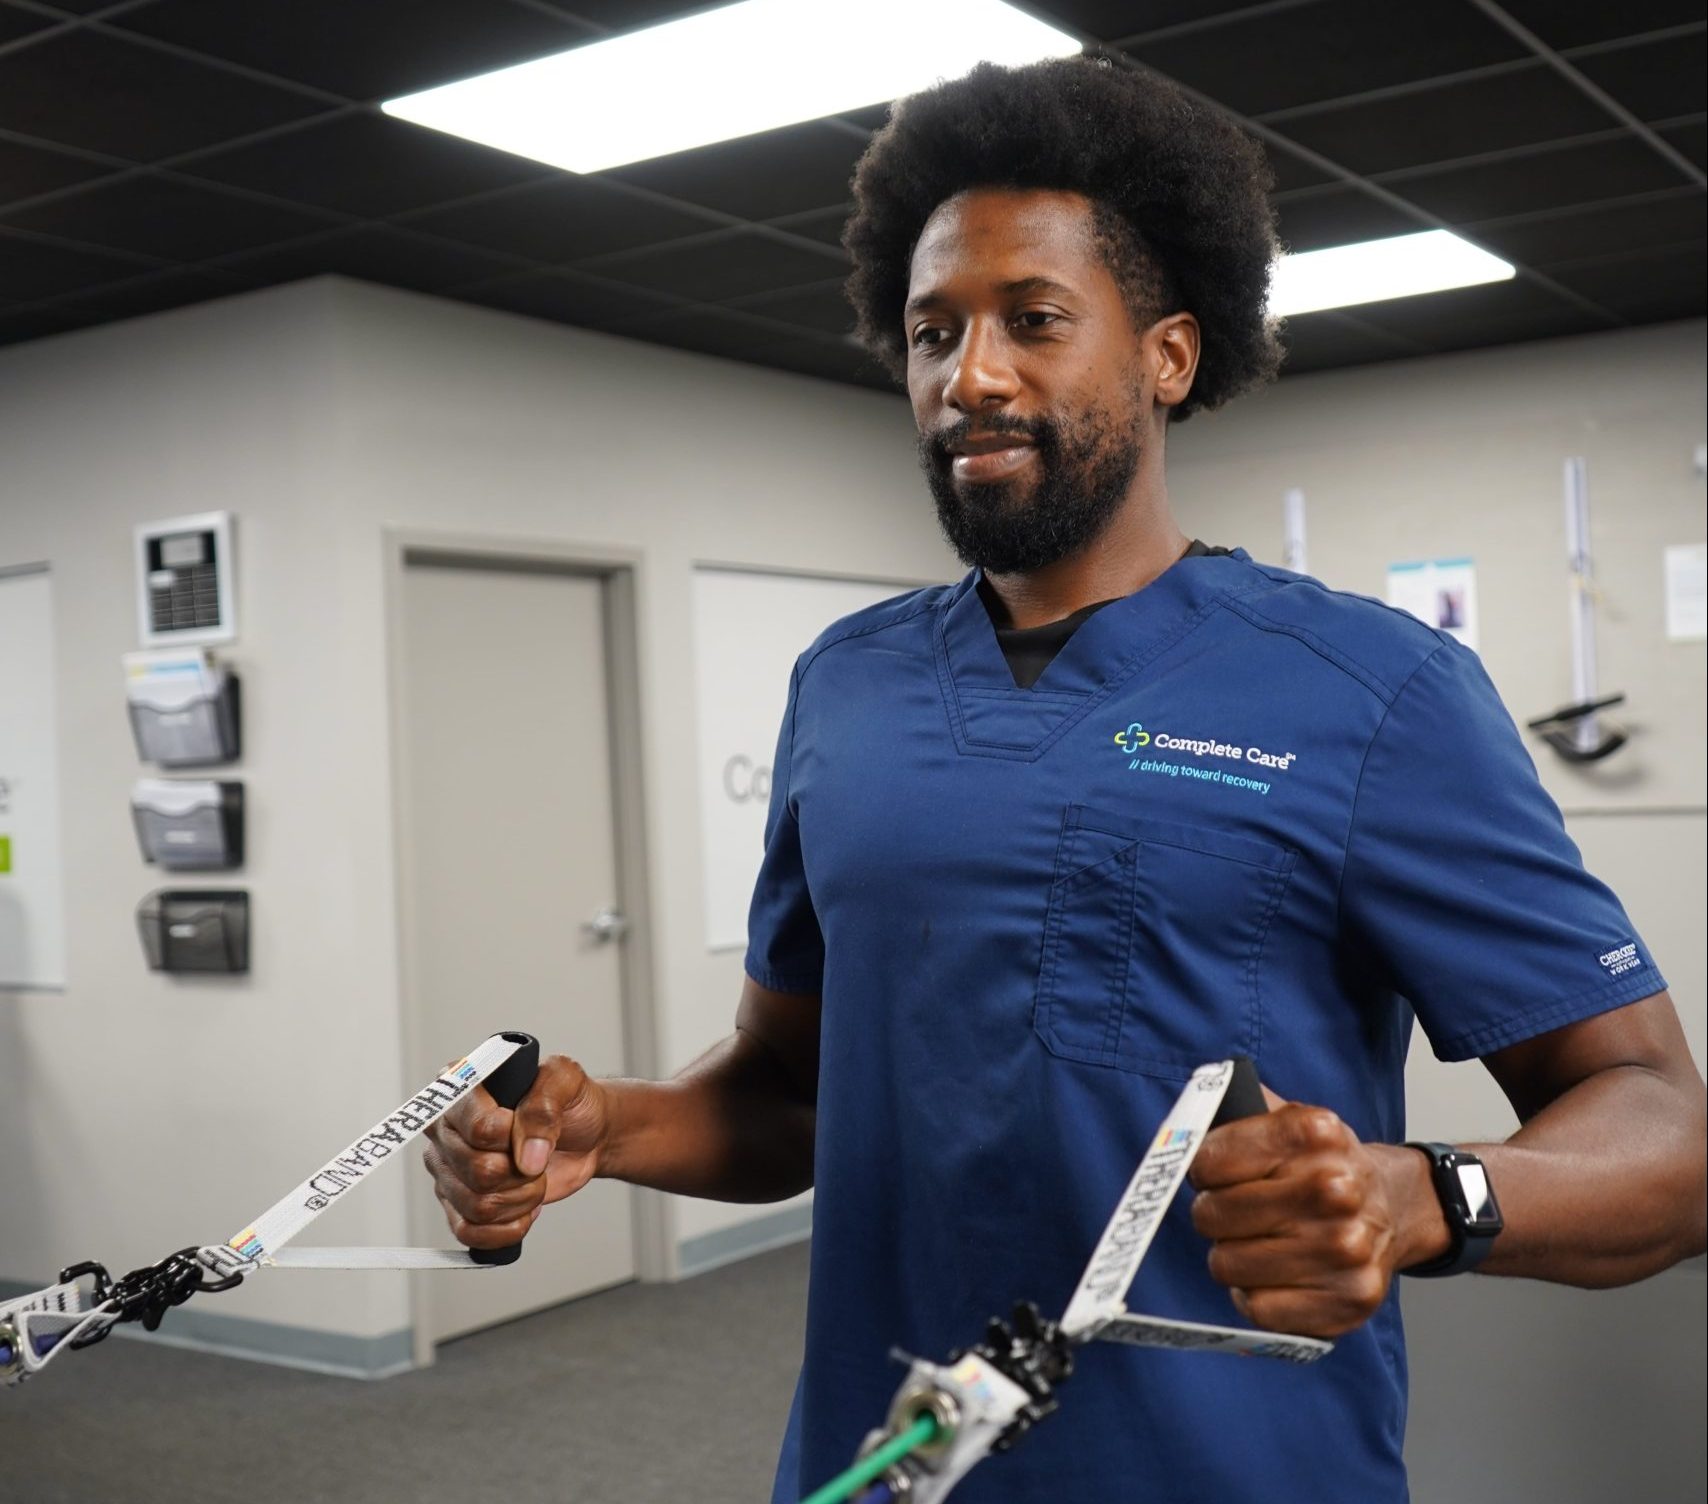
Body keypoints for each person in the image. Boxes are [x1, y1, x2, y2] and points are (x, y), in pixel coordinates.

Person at [423, 56, 1706, 1503]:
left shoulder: (1375, 693)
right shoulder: (846, 685)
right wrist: (606, 1128)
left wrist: (1427, 1194)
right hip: (882, 1463)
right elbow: (793, 1090)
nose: (969, 377)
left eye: (1033, 321)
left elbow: (1665, 1133)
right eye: (932, 333)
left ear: (1169, 356)